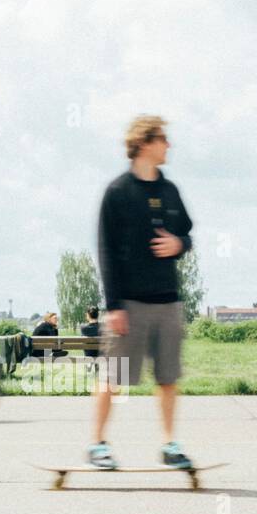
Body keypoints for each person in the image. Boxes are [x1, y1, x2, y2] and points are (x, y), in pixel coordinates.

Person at [90, 114, 194, 470]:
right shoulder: (117, 193)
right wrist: (114, 305)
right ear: (145, 143)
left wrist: (179, 243)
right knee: (113, 377)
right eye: (163, 139)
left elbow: (187, 234)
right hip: (129, 306)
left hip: (168, 303)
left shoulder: (170, 192)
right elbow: (105, 251)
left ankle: (170, 445)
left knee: (168, 378)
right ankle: (98, 444)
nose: (169, 146)